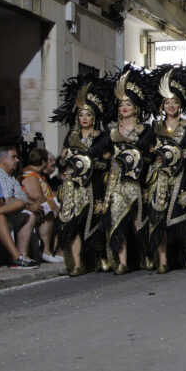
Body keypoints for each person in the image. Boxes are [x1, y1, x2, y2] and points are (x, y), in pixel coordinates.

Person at [51, 75, 111, 276]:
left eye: (88, 115)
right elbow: (62, 158)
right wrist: (64, 165)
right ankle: (76, 263)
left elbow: (108, 161)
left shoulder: (102, 137)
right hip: (73, 186)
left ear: (94, 117)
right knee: (73, 225)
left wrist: (93, 164)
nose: (84, 118)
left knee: (94, 223)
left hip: (93, 186)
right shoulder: (72, 136)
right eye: (81, 115)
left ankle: (100, 256)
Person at [101, 65, 156, 275]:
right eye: (122, 104)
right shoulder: (112, 131)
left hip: (136, 181)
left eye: (129, 104)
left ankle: (145, 254)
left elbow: (151, 153)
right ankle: (122, 261)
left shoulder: (144, 130)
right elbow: (103, 154)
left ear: (136, 108)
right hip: (116, 181)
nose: (125, 107)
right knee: (117, 218)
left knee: (137, 219)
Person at [146, 65, 186, 274]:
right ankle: (162, 259)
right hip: (160, 175)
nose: (171, 105)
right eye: (168, 102)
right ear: (162, 105)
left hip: (182, 174)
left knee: (183, 213)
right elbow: (149, 152)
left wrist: (183, 154)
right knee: (158, 216)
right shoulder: (155, 128)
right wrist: (155, 155)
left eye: (175, 102)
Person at [21, 148, 62, 263]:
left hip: (37, 206)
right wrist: (54, 204)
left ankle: (57, 249)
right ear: (43, 162)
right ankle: (46, 250)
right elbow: (38, 197)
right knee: (50, 210)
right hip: (32, 208)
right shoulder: (30, 175)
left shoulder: (39, 175)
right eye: (50, 162)